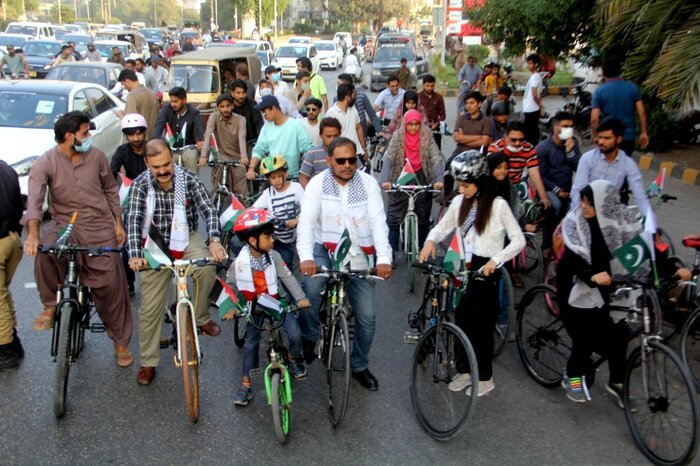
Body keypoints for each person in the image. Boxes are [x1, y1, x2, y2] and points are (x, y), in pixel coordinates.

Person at [22, 111, 134, 367]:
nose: (89, 137)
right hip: (64, 224)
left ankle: (120, 341)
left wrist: (118, 224)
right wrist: (33, 234)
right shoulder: (44, 162)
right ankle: (51, 305)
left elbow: (110, 189)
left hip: (98, 223)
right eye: (85, 132)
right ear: (69, 137)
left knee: (110, 282)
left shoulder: (96, 157)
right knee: (45, 250)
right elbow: (35, 201)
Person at [419, 151, 525, 397]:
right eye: (459, 184)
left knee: (482, 326)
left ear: (479, 182)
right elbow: (441, 227)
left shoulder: (498, 206)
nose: (461, 189)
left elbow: (518, 240)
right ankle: (465, 370)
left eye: (466, 185)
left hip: (485, 270)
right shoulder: (459, 203)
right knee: (462, 319)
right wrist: (430, 241)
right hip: (461, 265)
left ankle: (485, 377)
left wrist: (495, 261)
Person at [126, 139, 227, 385]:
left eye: (166, 164)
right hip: (155, 245)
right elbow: (133, 220)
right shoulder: (140, 185)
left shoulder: (188, 179)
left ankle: (201, 318)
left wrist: (214, 240)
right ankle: (148, 362)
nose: (163, 171)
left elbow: (208, 210)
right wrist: (134, 255)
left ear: (173, 158)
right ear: (147, 164)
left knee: (206, 268)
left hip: (185, 237)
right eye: (156, 167)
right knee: (150, 309)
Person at [297, 137, 392, 391]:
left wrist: (383, 259)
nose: (347, 165)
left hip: (358, 253)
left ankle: (359, 365)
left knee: (367, 317)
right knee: (311, 290)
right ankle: (309, 335)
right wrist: (306, 257)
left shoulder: (369, 184)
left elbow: (378, 223)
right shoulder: (316, 184)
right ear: (329, 161)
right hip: (324, 249)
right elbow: (306, 223)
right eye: (341, 160)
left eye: (352, 160)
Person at [556, 179, 641, 406]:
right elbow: (570, 262)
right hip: (576, 288)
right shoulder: (577, 224)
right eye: (582, 201)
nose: (583, 206)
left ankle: (617, 382)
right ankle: (572, 378)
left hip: (610, 288)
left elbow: (639, 254)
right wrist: (590, 275)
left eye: (589, 203)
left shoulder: (621, 222)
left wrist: (671, 270)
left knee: (619, 336)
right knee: (585, 335)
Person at [223, 208, 310, 406]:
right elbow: (231, 287)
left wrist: (301, 298)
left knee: (295, 333)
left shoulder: (274, 256)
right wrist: (231, 308)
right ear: (253, 241)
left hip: (276, 300)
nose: (272, 241)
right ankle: (246, 384)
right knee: (251, 343)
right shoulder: (239, 264)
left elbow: (287, 278)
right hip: (254, 304)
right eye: (268, 237)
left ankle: (293, 358)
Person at [380, 110, 445, 264]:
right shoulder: (398, 136)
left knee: (423, 214)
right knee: (394, 215)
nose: (414, 128)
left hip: (421, 175)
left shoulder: (427, 134)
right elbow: (389, 157)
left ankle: (423, 249)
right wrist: (385, 180)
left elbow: (436, 157)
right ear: (405, 124)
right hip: (401, 175)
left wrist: (439, 179)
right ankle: (393, 251)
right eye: (410, 124)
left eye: (416, 124)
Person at [570, 118, 652, 216]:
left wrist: (651, 224)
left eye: (607, 138)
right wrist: (580, 214)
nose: (601, 142)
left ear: (619, 139)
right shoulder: (588, 158)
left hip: (610, 213)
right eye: (600, 137)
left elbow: (640, 197)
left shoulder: (628, 163)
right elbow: (577, 190)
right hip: (585, 210)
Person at [111, 114, 150, 294]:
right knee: (126, 244)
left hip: (156, 198)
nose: (135, 138)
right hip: (133, 201)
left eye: (138, 134)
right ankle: (128, 282)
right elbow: (112, 176)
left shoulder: (153, 149)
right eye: (131, 134)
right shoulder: (122, 152)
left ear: (144, 133)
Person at [535, 111, 581, 250]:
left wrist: (570, 152)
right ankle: (549, 240)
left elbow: (580, 167)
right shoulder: (543, 148)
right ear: (555, 127)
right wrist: (556, 190)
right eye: (565, 126)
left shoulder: (572, 145)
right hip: (549, 189)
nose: (569, 130)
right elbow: (540, 175)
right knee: (555, 205)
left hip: (568, 188)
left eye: (571, 126)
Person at [254, 156, 305, 268]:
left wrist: (297, 220)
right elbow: (254, 209)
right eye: (272, 178)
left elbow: (307, 209)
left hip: (290, 240)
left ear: (286, 173)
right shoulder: (268, 193)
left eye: (279, 176)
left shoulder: (296, 188)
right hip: (274, 236)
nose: (276, 180)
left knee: (285, 268)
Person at [591, 56, 649, 155]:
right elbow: (641, 112)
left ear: (603, 73)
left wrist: (596, 136)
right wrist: (644, 132)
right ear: (619, 71)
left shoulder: (599, 92)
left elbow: (594, 119)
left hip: (607, 137)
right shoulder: (632, 87)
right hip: (628, 137)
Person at [487, 120, 551, 210]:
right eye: (513, 140)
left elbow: (534, 174)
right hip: (499, 186)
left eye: (521, 140)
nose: (517, 143)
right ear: (505, 137)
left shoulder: (528, 148)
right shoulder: (495, 148)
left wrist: (543, 197)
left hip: (518, 185)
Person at [248, 95, 313, 180]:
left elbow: (308, 149)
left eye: (264, 111)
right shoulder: (266, 128)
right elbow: (259, 149)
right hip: (271, 177)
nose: (263, 115)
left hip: (291, 178)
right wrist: (251, 168)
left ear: (274, 109)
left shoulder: (296, 125)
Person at [0, 160, 24, 369]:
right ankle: (13, 342)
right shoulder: (6, 169)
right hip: (13, 239)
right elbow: (19, 205)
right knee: (3, 293)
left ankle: (5, 350)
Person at [445, 90, 492, 194]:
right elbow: (457, 138)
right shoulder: (461, 118)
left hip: (477, 153)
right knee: (448, 166)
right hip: (460, 151)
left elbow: (485, 142)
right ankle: (447, 197)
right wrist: (478, 137)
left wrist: (464, 138)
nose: (469, 106)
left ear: (479, 104)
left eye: (472, 103)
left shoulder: (486, 120)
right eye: (467, 103)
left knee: (482, 173)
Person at [201, 94, 248, 196]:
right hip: (221, 158)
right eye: (222, 107)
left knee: (241, 192)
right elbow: (208, 135)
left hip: (237, 159)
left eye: (228, 106)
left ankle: (244, 210)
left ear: (232, 106)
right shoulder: (214, 117)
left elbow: (242, 138)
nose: (225, 109)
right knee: (216, 190)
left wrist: (244, 157)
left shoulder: (241, 120)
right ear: (218, 108)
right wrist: (203, 156)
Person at [152, 87, 206, 174]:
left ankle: (193, 184)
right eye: (171, 101)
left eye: (175, 101)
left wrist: (201, 142)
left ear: (184, 100)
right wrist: (154, 143)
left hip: (188, 147)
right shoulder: (167, 110)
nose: (173, 104)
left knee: (191, 157)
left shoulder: (194, 113)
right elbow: (159, 126)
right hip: (171, 147)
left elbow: (200, 129)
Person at [299, 117, 342, 188]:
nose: (332, 139)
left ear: (340, 134)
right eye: (328, 136)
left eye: (335, 136)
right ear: (321, 135)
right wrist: (312, 193)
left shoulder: (348, 151)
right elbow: (303, 177)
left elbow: (361, 172)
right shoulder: (312, 153)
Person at [326, 83, 366, 159]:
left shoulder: (353, 109)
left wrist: (364, 149)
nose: (355, 98)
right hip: (343, 156)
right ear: (348, 98)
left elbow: (358, 128)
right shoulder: (331, 113)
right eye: (353, 96)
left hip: (358, 153)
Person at [337, 73, 381, 139]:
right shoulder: (337, 99)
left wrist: (379, 132)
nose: (337, 86)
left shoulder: (361, 96)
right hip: (344, 137)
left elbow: (372, 115)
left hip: (361, 136)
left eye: (338, 84)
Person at [120, 69, 159, 140]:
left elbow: (130, 125)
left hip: (139, 144)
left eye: (123, 84)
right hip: (153, 141)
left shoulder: (132, 96)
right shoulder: (152, 94)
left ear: (127, 81)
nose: (124, 88)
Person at [230, 79, 264, 154]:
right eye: (238, 93)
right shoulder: (228, 106)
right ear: (232, 93)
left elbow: (259, 124)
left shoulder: (252, 104)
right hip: (232, 145)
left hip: (250, 143)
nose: (241, 96)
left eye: (243, 93)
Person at [418, 74, 446, 148]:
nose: (430, 88)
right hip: (420, 128)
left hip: (434, 128)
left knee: (436, 151)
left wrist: (437, 123)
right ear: (423, 85)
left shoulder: (438, 97)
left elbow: (443, 114)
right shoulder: (418, 97)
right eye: (427, 86)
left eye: (432, 86)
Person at [522, 53, 544, 146]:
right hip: (529, 108)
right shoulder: (533, 76)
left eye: (530, 63)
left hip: (532, 109)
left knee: (531, 135)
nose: (528, 65)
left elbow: (534, 94)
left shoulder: (535, 77)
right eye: (528, 63)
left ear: (536, 64)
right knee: (529, 133)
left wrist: (540, 106)